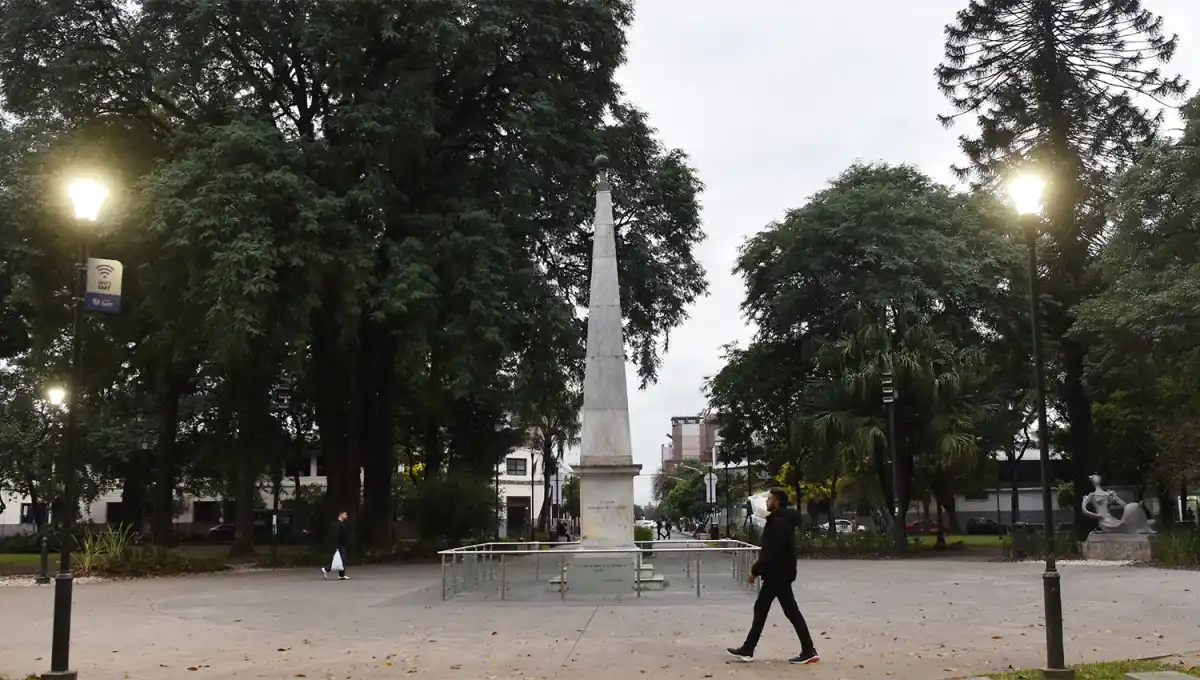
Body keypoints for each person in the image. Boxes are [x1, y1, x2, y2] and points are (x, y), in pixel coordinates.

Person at [727, 488, 818, 664]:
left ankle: (808, 650)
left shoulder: (779, 523)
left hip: (778, 574)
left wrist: (755, 570)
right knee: (772, 610)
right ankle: (749, 649)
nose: (766, 502)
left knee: (779, 610)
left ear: (776, 501)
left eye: (769, 499)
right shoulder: (780, 521)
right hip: (780, 573)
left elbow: (771, 552)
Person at [321, 510, 350, 580]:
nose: (347, 516)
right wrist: (336, 545)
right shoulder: (337, 524)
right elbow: (336, 535)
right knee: (341, 560)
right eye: (345, 514)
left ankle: (341, 575)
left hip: (342, 544)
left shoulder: (341, 524)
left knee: (342, 560)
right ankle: (326, 569)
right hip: (339, 545)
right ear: (341, 515)